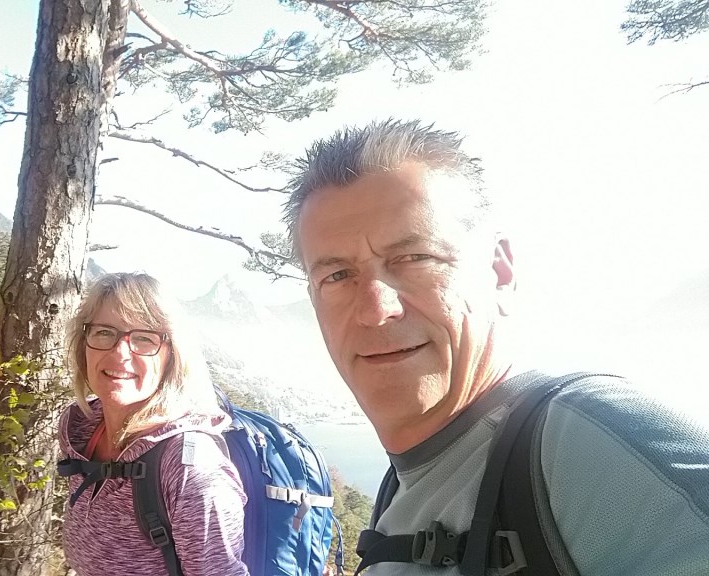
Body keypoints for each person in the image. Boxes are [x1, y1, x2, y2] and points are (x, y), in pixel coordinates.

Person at [283, 119, 709, 575]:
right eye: (337, 276)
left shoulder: (589, 445)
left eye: (415, 258)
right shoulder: (404, 486)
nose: (376, 309)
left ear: (500, 273)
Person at [57, 272, 249, 576]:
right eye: (104, 332)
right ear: (84, 345)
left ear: (172, 356)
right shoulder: (80, 431)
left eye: (144, 338)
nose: (119, 353)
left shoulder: (190, 469)